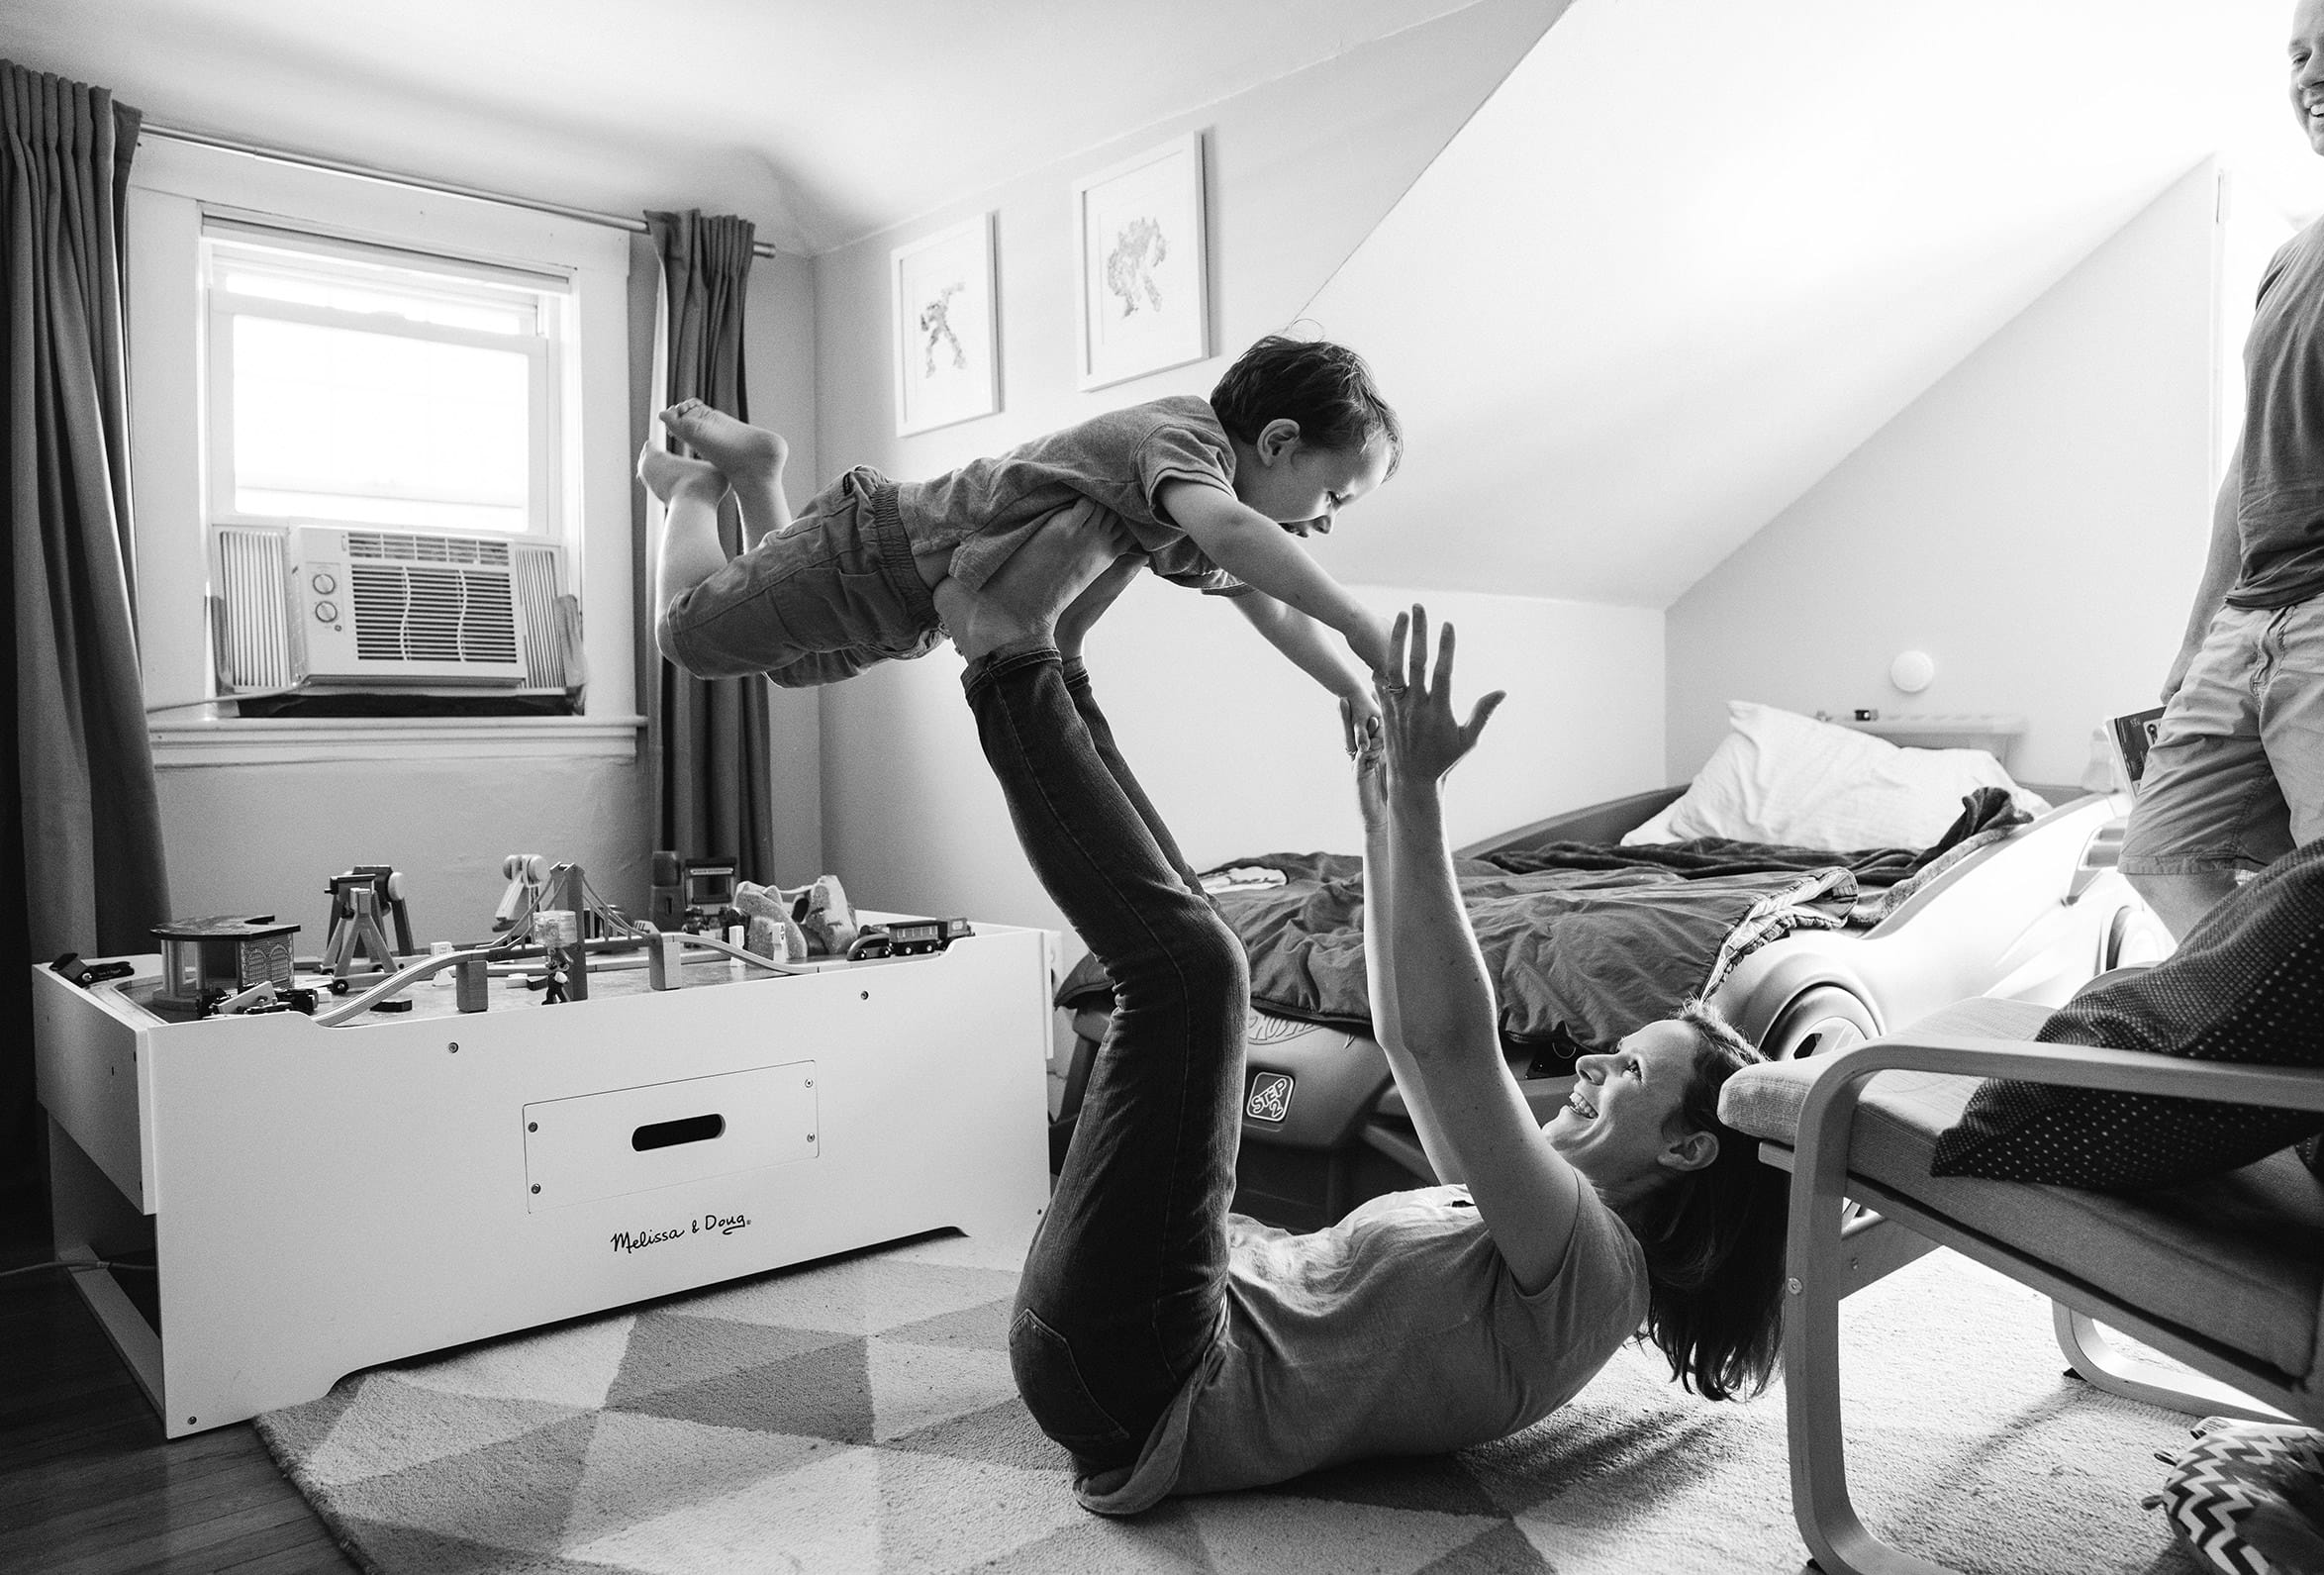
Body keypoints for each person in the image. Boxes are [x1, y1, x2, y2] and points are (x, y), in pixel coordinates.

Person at [940, 585, 1789, 1513]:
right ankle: (1054, 667)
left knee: (1195, 970)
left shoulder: (1596, 1272)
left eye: (1628, 1067)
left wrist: (1425, 797)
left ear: (1688, 1146)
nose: (1591, 1063)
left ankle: (1008, 666)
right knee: (1197, 934)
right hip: (1131, 1326)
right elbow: (1406, 1041)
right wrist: (1381, 816)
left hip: (1146, 1370)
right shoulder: (1527, 1223)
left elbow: (1458, 1043)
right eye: (1613, 1049)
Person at [640, 334, 1401, 747]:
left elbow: (1274, 604)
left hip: (909, 611)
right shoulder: (1182, 438)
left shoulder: (1195, 516)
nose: (1327, 521)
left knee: (788, 667)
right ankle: (693, 491)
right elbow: (1240, 535)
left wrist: (1350, 689)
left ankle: (755, 474)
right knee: (690, 636)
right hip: (875, 551)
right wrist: (1360, 621)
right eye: (1334, 493)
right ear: (1277, 440)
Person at [2124, 0, 2324, 940]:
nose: (2315, 72)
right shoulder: (2288, 257)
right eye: (2299, 54)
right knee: (2163, 852)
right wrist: (2193, 643)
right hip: (2247, 617)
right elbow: (2248, 466)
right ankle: (2272, 1046)